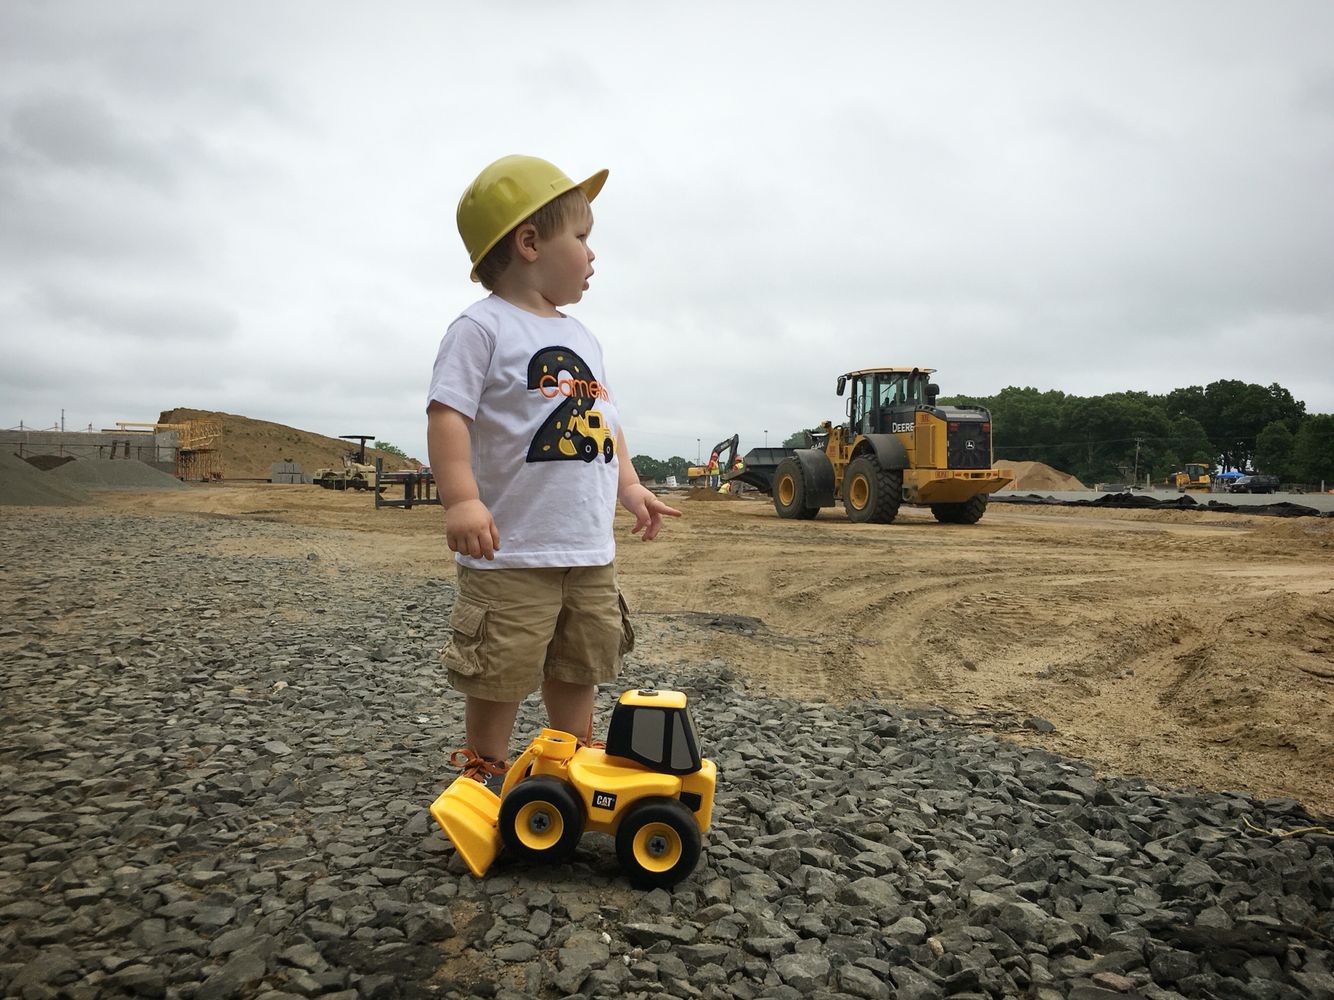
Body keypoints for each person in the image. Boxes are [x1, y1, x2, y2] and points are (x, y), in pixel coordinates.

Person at [426, 154, 681, 793]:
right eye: (583, 237)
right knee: (502, 664)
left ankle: (569, 757)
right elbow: (447, 415)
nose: (593, 254)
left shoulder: (584, 338)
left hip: (588, 550)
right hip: (511, 550)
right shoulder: (480, 328)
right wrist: (461, 499)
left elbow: (604, 420)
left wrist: (629, 484)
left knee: (581, 658)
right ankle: (485, 765)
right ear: (531, 242)